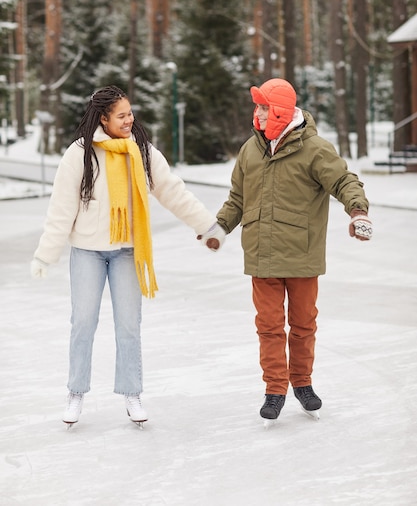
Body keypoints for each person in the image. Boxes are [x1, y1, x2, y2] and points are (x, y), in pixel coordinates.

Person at [31, 85, 225, 426]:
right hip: (88, 252)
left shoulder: (142, 152)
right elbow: (61, 209)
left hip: (127, 253)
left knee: (128, 327)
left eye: (130, 113)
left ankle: (132, 393)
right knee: (83, 324)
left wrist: (208, 225)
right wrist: (45, 255)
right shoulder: (80, 154)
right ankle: (76, 393)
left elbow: (172, 191)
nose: (129, 120)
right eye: (121, 115)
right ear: (103, 118)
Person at [214, 78, 372, 422]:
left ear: (282, 112)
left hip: (301, 253)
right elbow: (237, 199)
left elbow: (344, 180)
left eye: (265, 108)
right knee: (268, 326)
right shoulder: (250, 150)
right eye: (257, 107)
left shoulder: (314, 149)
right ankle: (274, 389)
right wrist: (220, 227)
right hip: (261, 253)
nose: (258, 113)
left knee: (302, 325)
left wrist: (357, 210)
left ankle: (302, 382)